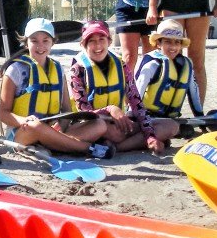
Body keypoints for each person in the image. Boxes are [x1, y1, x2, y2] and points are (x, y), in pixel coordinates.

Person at [0, 18, 113, 158]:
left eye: (45, 40)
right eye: (34, 41)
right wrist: (24, 120)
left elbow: (66, 110)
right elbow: (3, 114)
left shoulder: (58, 69)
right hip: (22, 132)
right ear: (26, 43)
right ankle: (86, 148)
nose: (40, 46)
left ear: (53, 42)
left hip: (52, 130)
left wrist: (62, 125)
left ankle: (54, 145)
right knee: (36, 126)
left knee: (99, 124)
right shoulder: (15, 70)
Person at [68, 19, 177, 154]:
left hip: (119, 123)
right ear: (83, 45)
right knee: (107, 129)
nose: (97, 46)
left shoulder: (121, 65)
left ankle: (117, 147)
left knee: (171, 126)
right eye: (91, 41)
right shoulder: (78, 70)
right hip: (92, 124)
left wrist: (150, 136)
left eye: (101, 39)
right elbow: (83, 110)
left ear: (109, 41)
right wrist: (110, 110)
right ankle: (126, 143)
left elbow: (136, 103)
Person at [136, 19, 205, 133]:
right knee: (174, 130)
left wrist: (200, 117)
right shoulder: (152, 65)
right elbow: (137, 92)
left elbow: (194, 94)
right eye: (168, 41)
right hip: (148, 117)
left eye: (177, 42)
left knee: (185, 130)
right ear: (158, 43)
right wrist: (131, 116)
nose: (173, 47)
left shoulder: (187, 65)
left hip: (172, 118)